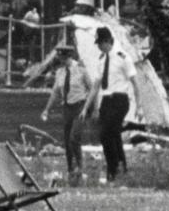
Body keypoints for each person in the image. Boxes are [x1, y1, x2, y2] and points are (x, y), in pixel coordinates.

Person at [81, 26, 136, 182]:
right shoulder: (101, 60)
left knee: (105, 135)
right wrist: (87, 107)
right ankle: (120, 167)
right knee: (114, 135)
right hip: (106, 101)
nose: (98, 46)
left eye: (100, 43)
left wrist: (136, 106)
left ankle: (113, 169)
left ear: (107, 41)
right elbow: (96, 86)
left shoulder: (123, 57)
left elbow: (135, 82)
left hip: (119, 99)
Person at [40, 44, 92, 184]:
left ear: (68, 56)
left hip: (80, 106)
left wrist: (89, 108)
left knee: (74, 137)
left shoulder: (81, 69)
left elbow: (92, 89)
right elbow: (56, 92)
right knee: (67, 141)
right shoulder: (60, 72)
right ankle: (70, 169)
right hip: (67, 107)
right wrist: (47, 109)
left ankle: (80, 167)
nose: (61, 61)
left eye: (62, 58)